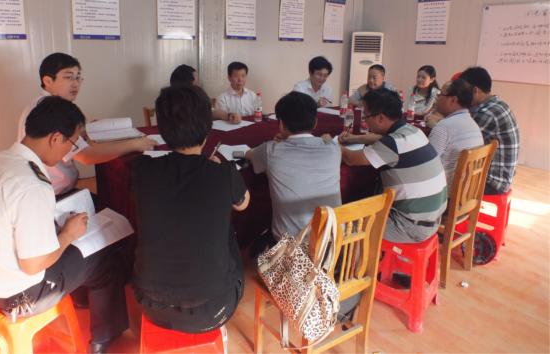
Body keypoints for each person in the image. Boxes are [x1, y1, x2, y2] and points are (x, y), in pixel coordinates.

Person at [0, 97, 129, 354]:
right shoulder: (32, 184)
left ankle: (81, 296)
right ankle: (105, 338)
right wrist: (68, 234)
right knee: (104, 251)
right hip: (19, 295)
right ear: (55, 138)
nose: (70, 152)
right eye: (72, 143)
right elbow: (34, 264)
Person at [132, 85, 250, 334]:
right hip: (213, 310)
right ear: (208, 128)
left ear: (162, 130)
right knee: (227, 230)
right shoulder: (223, 173)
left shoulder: (142, 169)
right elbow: (243, 203)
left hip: (148, 304)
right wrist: (222, 170)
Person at [17, 52, 156, 196]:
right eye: (68, 77)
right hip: (55, 195)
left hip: (50, 189)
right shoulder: (51, 111)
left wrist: (83, 130)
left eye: (78, 77)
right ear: (47, 80)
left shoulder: (40, 104)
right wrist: (135, 144)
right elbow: (87, 156)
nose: (75, 84)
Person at [340, 89, 447, 243]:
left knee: (346, 223)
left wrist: (333, 144)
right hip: (432, 219)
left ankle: (356, 258)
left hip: (408, 226)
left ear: (380, 118)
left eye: (366, 116)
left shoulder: (391, 145)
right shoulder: (413, 131)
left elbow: (350, 159)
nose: (364, 121)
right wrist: (355, 139)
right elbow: (380, 138)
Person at [245, 91, 341, 241]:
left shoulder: (271, 151)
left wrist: (276, 144)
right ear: (315, 122)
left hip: (292, 247)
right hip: (334, 242)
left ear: (281, 125)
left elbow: (249, 154)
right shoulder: (334, 149)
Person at [459, 66, 519, 195]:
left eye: (463, 91)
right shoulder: (498, 105)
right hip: (501, 177)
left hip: (492, 182)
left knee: (445, 178)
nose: (461, 96)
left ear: (475, 90)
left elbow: (461, 139)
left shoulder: (487, 113)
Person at [428, 79, 484, 186]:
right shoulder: (474, 125)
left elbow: (427, 165)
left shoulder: (443, 127)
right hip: (467, 190)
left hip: (446, 191)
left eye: (440, 94)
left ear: (453, 100)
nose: (437, 98)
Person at [169, 63, 242, 124]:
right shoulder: (170, 104)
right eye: (197, 81)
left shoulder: (198, 97)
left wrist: (228, 116)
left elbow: (210, 113)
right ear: (187, 84)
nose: (200, 84)